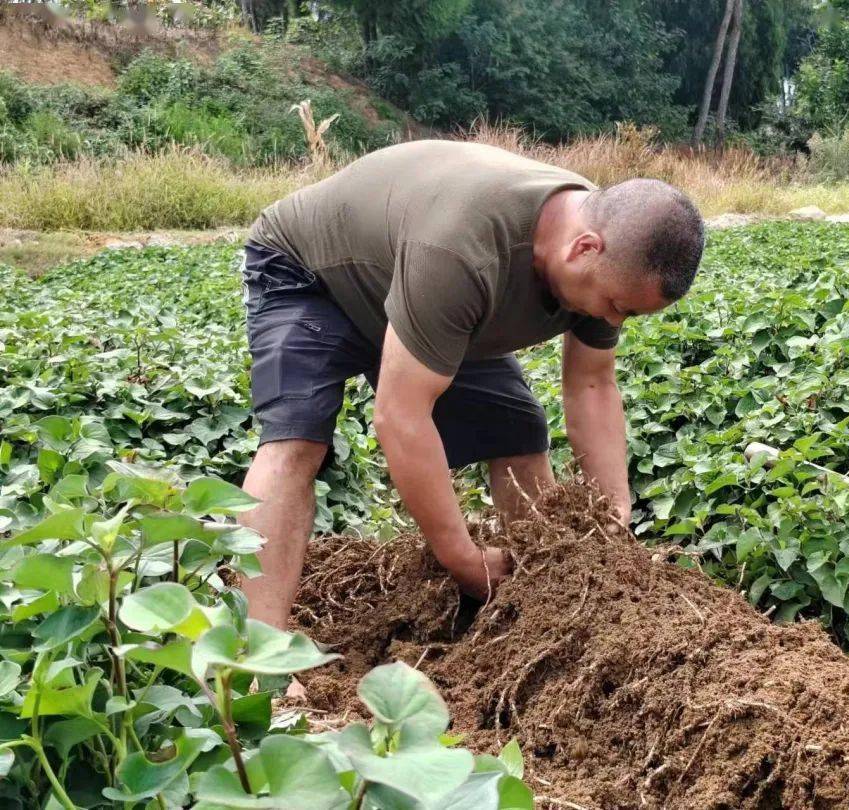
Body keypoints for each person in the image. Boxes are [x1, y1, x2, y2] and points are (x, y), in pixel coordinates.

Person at [238, 139, 704, 630]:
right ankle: (258, 657)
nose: (614, 319)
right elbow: (401, 416)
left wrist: (614, 508)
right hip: (312, 274)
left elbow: (591, 384)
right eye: (616, 306)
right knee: (296, 444)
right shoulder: (463, 252)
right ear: (584, 247)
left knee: (519, 436)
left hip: (424, 292)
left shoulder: (607, 251)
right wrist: (463, 558)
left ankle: (546, 606)